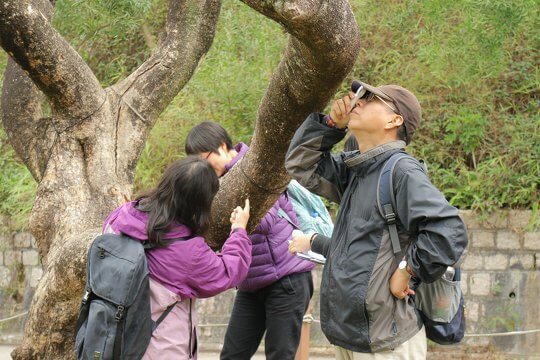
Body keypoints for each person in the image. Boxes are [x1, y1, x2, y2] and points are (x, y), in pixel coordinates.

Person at [286, 81, 468, 359]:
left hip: (386, 341)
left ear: (394, 120)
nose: (357, 101)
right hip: (350, 337)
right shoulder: (355, 170)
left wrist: (409, 269)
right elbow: (301, 163)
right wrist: (332, 124)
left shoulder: (401, 171)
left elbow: (449, 230)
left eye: (370, 99)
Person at [185, 122, 314, 360]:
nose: (202, 166)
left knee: (280, 355)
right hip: (251, 283)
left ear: (222, 146)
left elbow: (265, 224)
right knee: (232, 354)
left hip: (286, 278)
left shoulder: (257, 169)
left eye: (204, 158)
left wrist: (236, 223)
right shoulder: (215, 183)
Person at [102, 156, 252, 359]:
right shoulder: (188, 251)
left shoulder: (122, 216)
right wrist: (238, 231)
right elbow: (228, 271)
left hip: (112, 335)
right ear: (200, 204)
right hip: (161, 347)